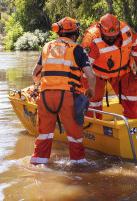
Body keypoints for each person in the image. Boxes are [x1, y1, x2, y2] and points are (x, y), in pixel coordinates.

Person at [30, 17, 96, 165]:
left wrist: (41, 85)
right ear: (75, 34)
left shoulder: (47, 47)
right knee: (74, 136)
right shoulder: (78, 50)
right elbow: (91, 76)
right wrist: (90, 91)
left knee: (44, 134)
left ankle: (38, 164)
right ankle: (78, 167)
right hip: (68, 97)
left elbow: (35, 73)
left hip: (46, 96)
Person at [81, 13, 137, 119]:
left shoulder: (127, 31)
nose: (111, 39)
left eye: (114, 36)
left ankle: (131, 123)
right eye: (108, 37)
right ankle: (93, 126)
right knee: (92, 101)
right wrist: (85, 88)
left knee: (132, 97)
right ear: (101, 30)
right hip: (97, 74)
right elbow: (83, 68)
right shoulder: (91, 39)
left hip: (123, 71)